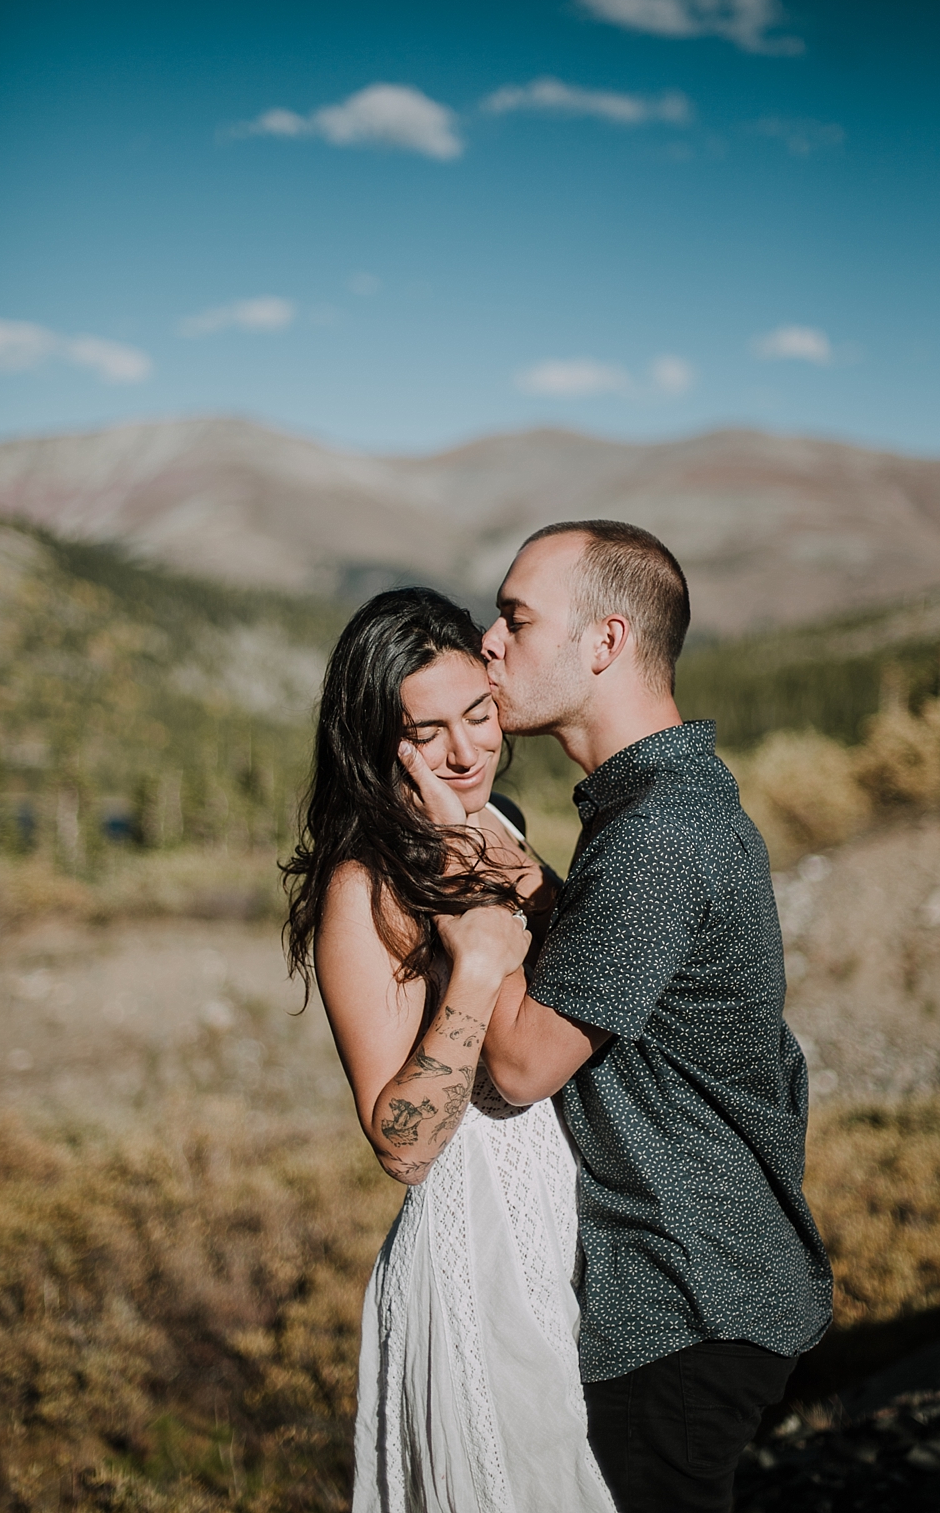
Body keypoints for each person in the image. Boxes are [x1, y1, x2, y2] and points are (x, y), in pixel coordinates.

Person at [477, 520, 834, 1513]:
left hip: (674, 1301)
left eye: (514, 618)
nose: (487, 645)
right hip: (705, 1284)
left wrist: (473, 913)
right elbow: (641, 993)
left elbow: (517, 1065)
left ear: (603, 642)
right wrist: (544, 897)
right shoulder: (661, 811)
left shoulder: (655, 837)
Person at [281, 587, 617, 1513]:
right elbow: (402, 1144)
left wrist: (522, 880)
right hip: (480, 1245)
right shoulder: (368, 883)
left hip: (563, 1220)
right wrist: (471, 972)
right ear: (375, 736)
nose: (468, 751)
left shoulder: (494, 815)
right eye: (429, 732)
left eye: (480, 715)